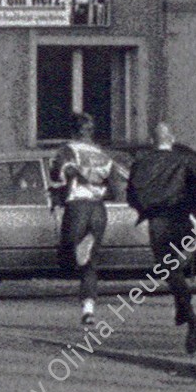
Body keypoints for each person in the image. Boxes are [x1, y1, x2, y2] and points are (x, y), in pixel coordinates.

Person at [126, 122, 196, 355]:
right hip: (182, 218)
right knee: (174, 267)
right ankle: (184, 311)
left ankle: (189, 314)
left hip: (159, 221)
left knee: (167, 269)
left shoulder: (142, 163)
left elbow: (132, 193)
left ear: (151, 140)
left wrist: (143, 209)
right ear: (172, 138)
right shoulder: (184, 160)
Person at [49, 113, 126, 326]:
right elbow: (116, 189)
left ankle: (75, 250)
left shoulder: (68, 151)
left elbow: (60, 175)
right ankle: (88, 309)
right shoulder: (104, 155)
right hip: (98, 209)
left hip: (77, 206)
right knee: (91, 263)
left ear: (73, 131)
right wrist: (99, 190)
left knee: (65, 253)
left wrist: (64, 192)